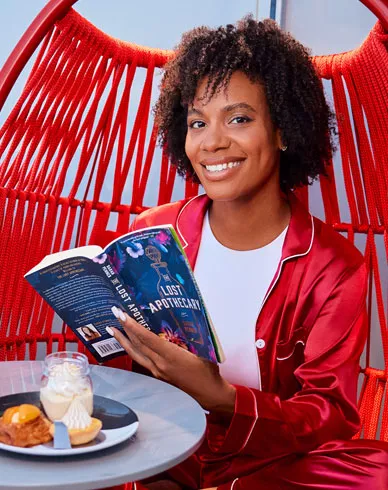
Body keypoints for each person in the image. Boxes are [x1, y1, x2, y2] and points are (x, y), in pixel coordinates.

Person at [107, 16, 388, 490]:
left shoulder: (335, 268)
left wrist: (223, 398)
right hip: (166, 447)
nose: (213, 142)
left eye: (239, 118)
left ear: (283, 130)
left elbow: (330, 416)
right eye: (198, 122)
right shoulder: (152, 233)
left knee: (377, 471)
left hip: (268, 464)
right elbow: (120, 380)